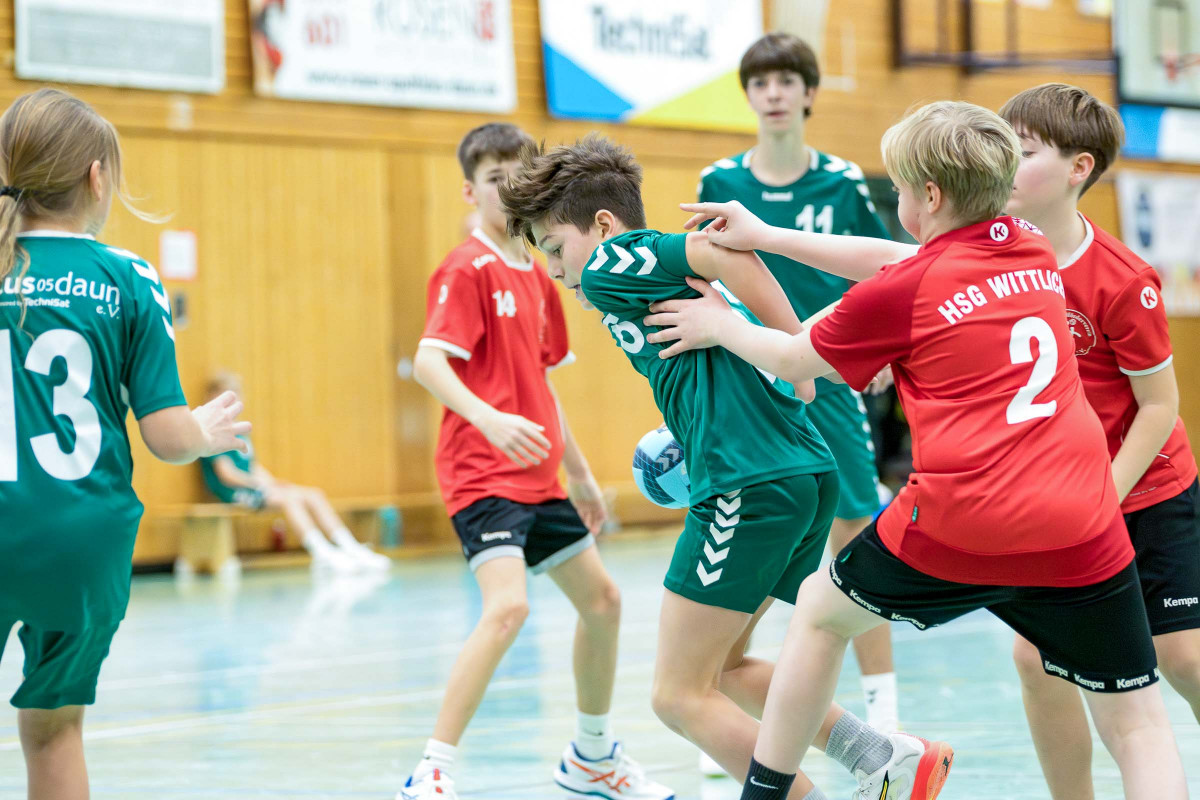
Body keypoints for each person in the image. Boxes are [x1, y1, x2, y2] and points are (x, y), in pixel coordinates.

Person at [647, 100, 1186, 800]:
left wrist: (719, 323)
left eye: (899, 190)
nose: (896, 203)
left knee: (819, 612)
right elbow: (895, 257)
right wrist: (771, 236)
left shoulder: (905, 291)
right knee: (1140, 726)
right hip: (1082, 519)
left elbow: (790, 359)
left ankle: (767, 792)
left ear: (928, 197)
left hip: (962, 520)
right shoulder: (1031, 246)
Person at [499, 133, 951, 800]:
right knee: (728, 666)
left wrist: (794, 348)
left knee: (677, 696)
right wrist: (787, 356)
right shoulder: (636, 277)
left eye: (557, 249)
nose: (557, 271)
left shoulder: (612, 263)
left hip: (747, 484)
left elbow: (717, 249)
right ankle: (882, 756)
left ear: (603, 226)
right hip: (801, 476)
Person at [402, 123, 670, 800]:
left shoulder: (543, 274)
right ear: (471, 191)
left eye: (517, 178)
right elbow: (429, 362)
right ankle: (431, 769)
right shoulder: (466, 268)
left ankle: (592, 756)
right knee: (508, 609)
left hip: (539, 478)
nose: (507, 191)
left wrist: (578, 473)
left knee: (604, 602)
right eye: (495, 180)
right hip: (481, 473)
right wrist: (490, 419)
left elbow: (542, 384)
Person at [0, 88, 250, 800]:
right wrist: (204, 433)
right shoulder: (129, 278)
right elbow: (167, 438)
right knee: (55, 730)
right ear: (96, 178)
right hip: (82, 538)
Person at [1000, 83, 1200, 800]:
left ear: (1078, 168)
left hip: (1147, 490)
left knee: (1184, 659)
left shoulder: (1122, 280)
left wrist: (1102, 496)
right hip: (1057, 502)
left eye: (1023, 151)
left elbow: (1160, 406)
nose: (1005, 164)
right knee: (1035, 660)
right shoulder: (992, 257)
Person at [699, 34, 899, 729]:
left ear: (809, 93)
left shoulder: (841, 181)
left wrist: (878, 350)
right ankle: (715, 693)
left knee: (856, 530)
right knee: (752, 533)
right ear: (749, 96)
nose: (775, 94)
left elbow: (880, 270)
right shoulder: (719, 181)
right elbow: (704, 277)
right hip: (752, 381)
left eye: (787, 80)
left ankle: (884, 711)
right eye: (761, 83)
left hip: (830, 375)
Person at [198, 370, 390, 572]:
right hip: (232, 493)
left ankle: (351, 547)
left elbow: (252, 466)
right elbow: (226, 475)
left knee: (313, 494)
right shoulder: (213, 432)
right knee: (289, 499)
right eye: (224, 394)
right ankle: (322, 552)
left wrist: (272, 482)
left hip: (251, 486)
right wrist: (259, 485)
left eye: (235, 394)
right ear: (212, 398)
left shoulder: (240, 431)